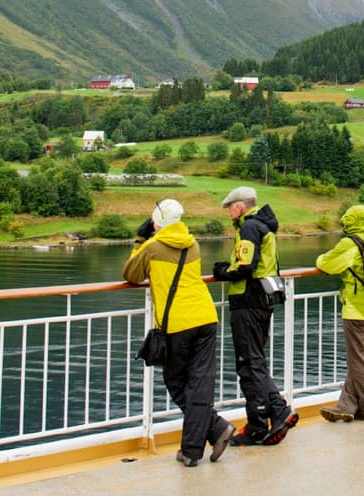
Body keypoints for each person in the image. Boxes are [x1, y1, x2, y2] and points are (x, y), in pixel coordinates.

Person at [122, 200, 234, 467]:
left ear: (156, 222)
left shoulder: (152, 247)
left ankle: (203, 442)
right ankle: (207, 437)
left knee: (176, 382)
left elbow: (131, 274)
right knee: (199, 384)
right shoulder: (192, 244)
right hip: (206, 317)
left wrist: (140, 239)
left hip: (178, 323)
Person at [213, 186, 297, 445]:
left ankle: (271, 415)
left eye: (229, 208)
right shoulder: (264, 226)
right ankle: (263, 421)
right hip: (262, 300)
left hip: (248, 301)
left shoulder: (249, 228)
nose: (229, 213)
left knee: (249, 363)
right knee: (253, 361)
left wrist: (222, 271)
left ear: (239, 206)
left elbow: (245, 266)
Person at [315, 204, 364, 422]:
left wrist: (322, 259)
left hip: (356, 310)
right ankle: (346, 405)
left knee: (358, 361)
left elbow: (326, 264)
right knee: (361, 360)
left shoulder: (350, 243)